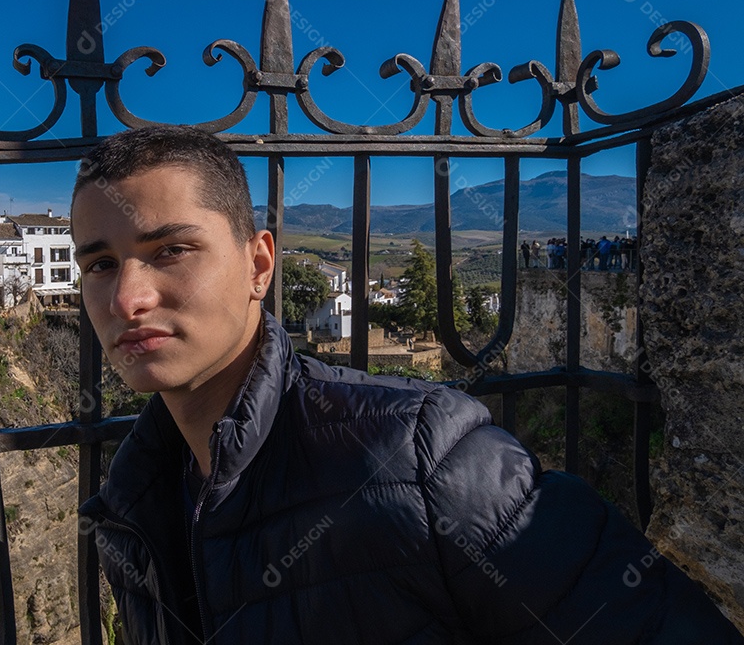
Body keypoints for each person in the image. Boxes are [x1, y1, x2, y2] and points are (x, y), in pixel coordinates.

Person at [72, 125, 742, 644]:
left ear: (259, 264)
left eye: (170, 251)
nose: (127, 297)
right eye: (100, 263)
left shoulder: (423, 455)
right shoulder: (131, 507)